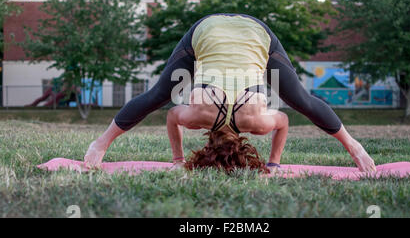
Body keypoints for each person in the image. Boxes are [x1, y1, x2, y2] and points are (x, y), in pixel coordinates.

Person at [84, 13, 376, 173]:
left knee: (298, 101)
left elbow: (283, 122)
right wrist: (178, 161)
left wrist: (273, 163)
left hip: (247, 33)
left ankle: (356, 149)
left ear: (242, 146)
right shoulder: (199, 117)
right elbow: (172, 115)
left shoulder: (256, 125)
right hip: (214, 31)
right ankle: (99, 144)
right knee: (302, 100)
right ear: (208, 143)